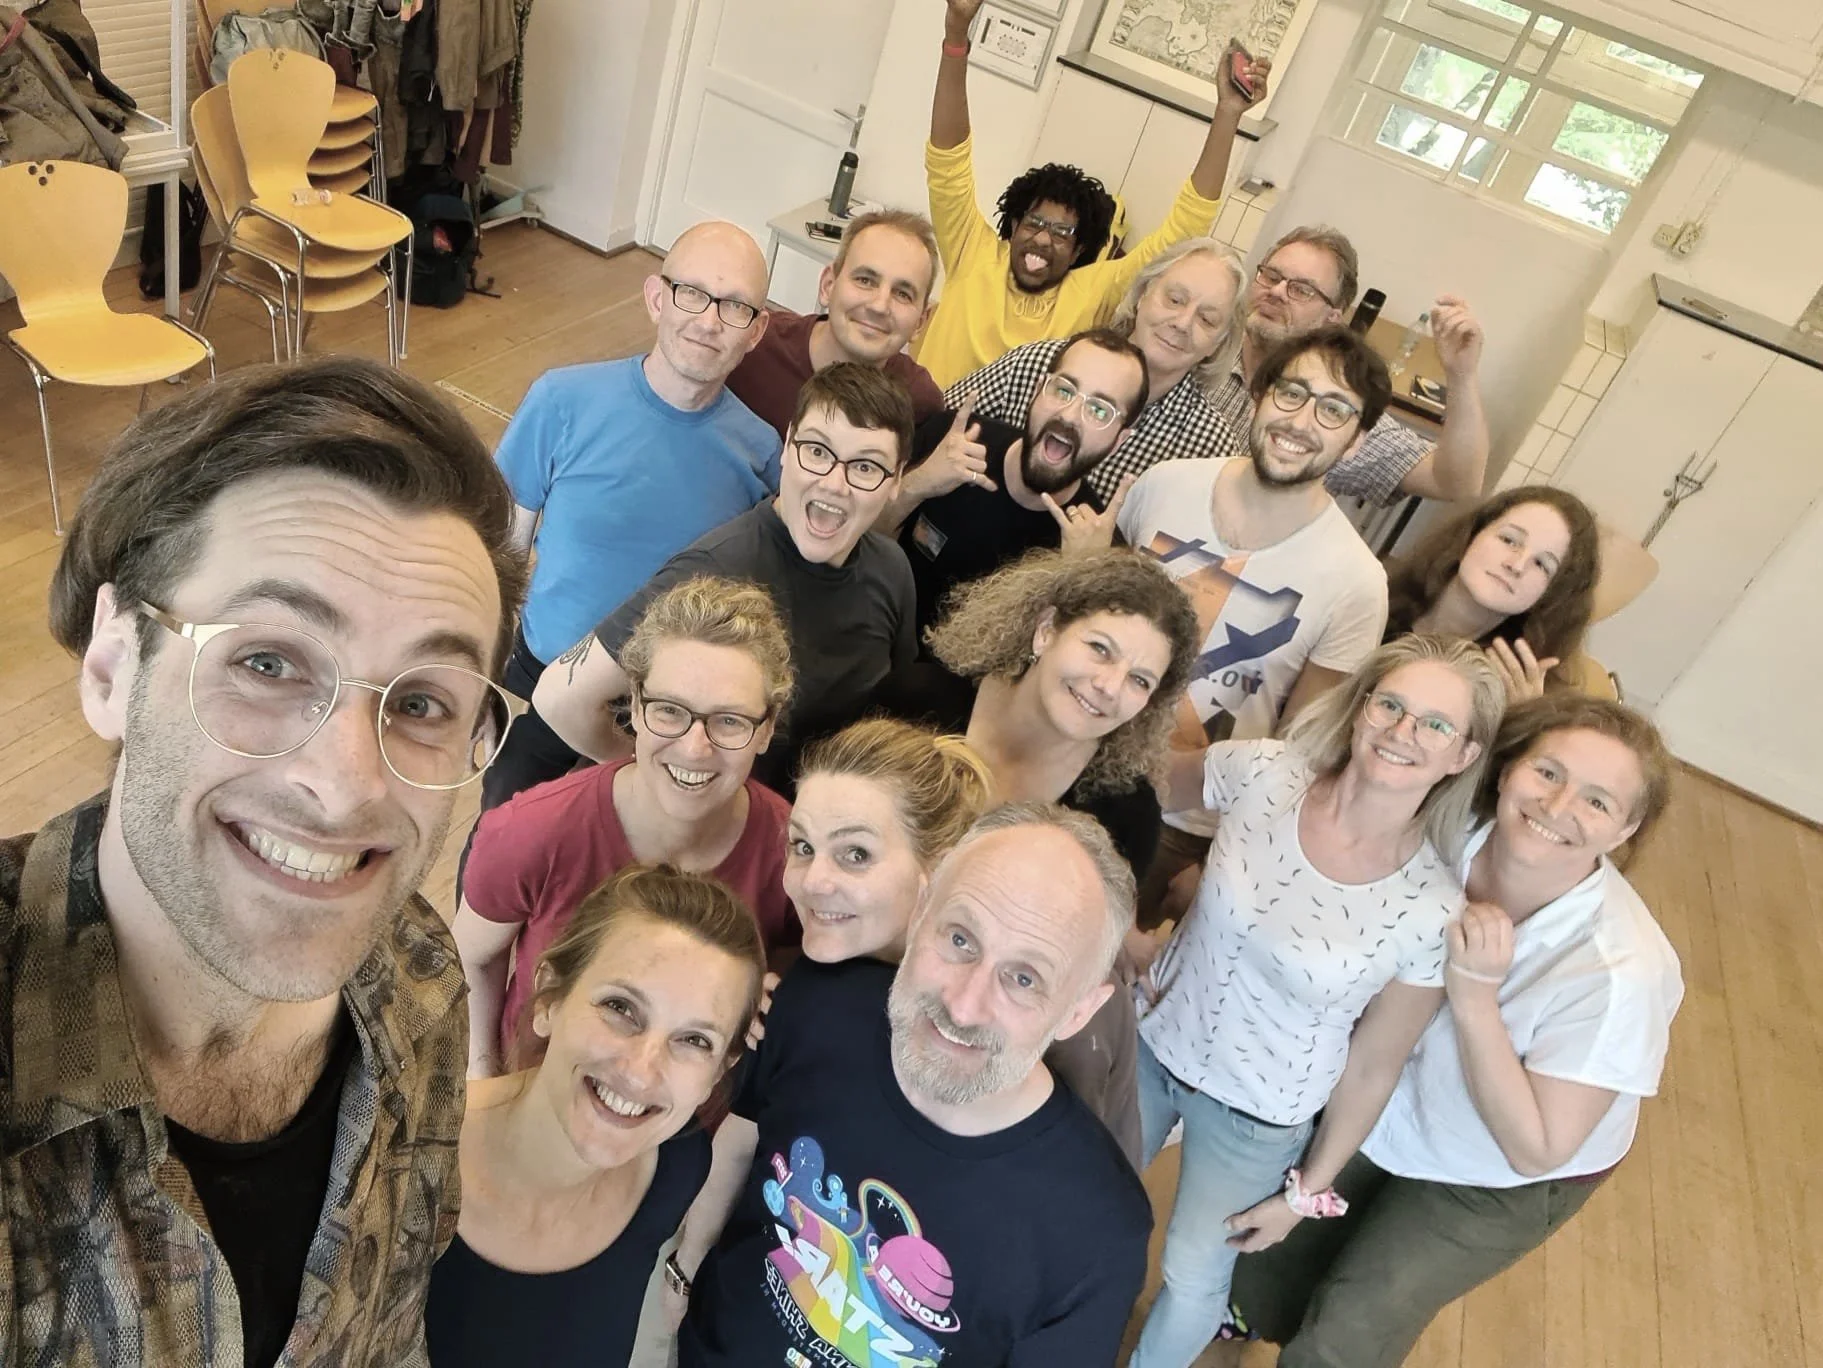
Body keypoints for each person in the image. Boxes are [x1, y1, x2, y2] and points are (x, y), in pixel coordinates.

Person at [1, 357, 527, 1367]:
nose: (345, 787)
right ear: (114, 668)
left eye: (421, 703)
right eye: (268, 661)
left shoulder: (417, 973)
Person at [1229, 695, 1681, 1368]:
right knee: (1270, 1256)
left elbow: (1537, 1149)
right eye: (1546, 773)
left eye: (1596, 802)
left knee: (1358, 1318)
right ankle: (1228, 1334)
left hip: (1495, 1173)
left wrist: (1474, 1000)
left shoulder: (1622, 971)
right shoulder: (1436, 831)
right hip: (1378, 1089)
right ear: (1504, 769)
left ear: (1623, 831)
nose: (1556, 808)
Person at [1125, 635, 1507, 1368]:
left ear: (1461, 755)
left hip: (1257, 1116)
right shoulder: (1264, 772)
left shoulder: (1430, 909)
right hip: (1148, 1043)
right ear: (1361, 707)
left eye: (1433, 724)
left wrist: (1305, 1193)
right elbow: (1132, 787)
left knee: (1192, 1276)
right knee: (1079, 1202)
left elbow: (1373, 1065)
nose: (1401, 732)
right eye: (1390, 705)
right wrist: (1121, 924)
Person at [671, 803, 1152, 1367]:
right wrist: (679, 1280)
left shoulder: (1098, 1230)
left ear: (1078, 1012)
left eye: (1024, 978)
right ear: (921, 911)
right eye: (960, 939)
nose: (963, 1005)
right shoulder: (815, 1005)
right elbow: (739, 1144)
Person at [875, 550, 1201, 1165]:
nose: (1109, 687)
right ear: (1047, 628)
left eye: (1140, 680)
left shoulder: (1124, 813)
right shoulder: (920, 698)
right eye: (1100, 649)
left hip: (960, 1031)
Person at [1079, 324, 1393, 916]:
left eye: (1334, 410)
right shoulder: (1164, 487)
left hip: (1184, 828)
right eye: (1291, 393)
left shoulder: (1356, 581)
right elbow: (1098, 618)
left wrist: (1222, 860)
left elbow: (1300, 750)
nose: (1301, 422)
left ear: (1356, 442)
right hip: (1076, 759)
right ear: (1259, 394)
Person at [484, 220, 780, 812]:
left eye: (735, 306)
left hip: (666, 725)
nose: (708, 319)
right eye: (691, 293)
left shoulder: (763, 452)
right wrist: (484, 685)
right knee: (498, 859)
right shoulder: (561, 400)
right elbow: (501, 547)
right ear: (655, 298)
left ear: (757, 331)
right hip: (540, 684)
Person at [455, 576, 798, 1077]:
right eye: (669, 711)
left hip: (687, 1128)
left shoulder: (796, 855)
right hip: (537, 1096)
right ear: (635, 707)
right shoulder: (532, 830)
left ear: (765, 729)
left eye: (728, 721)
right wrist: (483, 1077)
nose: (694, 748)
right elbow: (470, 957)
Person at [426, 865, 768, 1368]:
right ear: (549, 1001)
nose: (640, 1070)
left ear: (720, 1071)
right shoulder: (401, 1160)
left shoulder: (675, 1170)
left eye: (695, 1040)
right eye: (621, 1007)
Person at [533, 362, 917, 792]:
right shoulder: (717, 567)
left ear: (897, 480)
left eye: (866, 467)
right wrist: (668, 777)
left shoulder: (891, 570)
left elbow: (888, 709)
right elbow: (561, 699)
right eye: (818, 451)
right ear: (788, 446)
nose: (835, 483)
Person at [914, 0, 1269, 388]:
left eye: (1063, 234)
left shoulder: (1093, 294)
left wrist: (1229, 113)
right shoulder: (972, 254)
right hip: (929, 431)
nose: (1043, 239)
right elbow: (948, 163)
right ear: (1014, 225)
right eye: (1035, 223)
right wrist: (955, 33)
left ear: (1081, 250)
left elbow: (1185, 227)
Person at [1183, 224, 1492, 505]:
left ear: (1331, 319)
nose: (1276, 292)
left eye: (1302, 290)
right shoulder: (1193, 341)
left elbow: (1456, 483)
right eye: (1272, 277)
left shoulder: (1336, 412)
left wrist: (1461, 374)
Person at [883, 327, 1150, 637]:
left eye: (1099, 410)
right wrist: (915, 486)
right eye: (1063, 390)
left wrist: (1080, 577)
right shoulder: (952, 441)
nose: (1070, 416)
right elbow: (856, 545)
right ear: (1037, 392)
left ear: (1119, 440)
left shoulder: (1099, 551)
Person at [945, 237, 1248, 507]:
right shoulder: (1041, 361)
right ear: (1143, 293)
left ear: (1218, 344)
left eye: (1207, 319)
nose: (1182, 323)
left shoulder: (1211, 450)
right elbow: (936, 427)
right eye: (1175, 299)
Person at [727, 207, 948, 436]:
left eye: (903, 294)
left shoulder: (920, 404)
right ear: (828, 285)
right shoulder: (752, 346)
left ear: (920, 322)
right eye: (865, 280)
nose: (879, 306)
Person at [1384, 485, 1601, 701]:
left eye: (1541, 564)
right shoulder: (1377, 596)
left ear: (1551, 595)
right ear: (1472, 534)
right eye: (1509, 540)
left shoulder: (1508, 691)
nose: (1516, 565)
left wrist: (1521, 720)